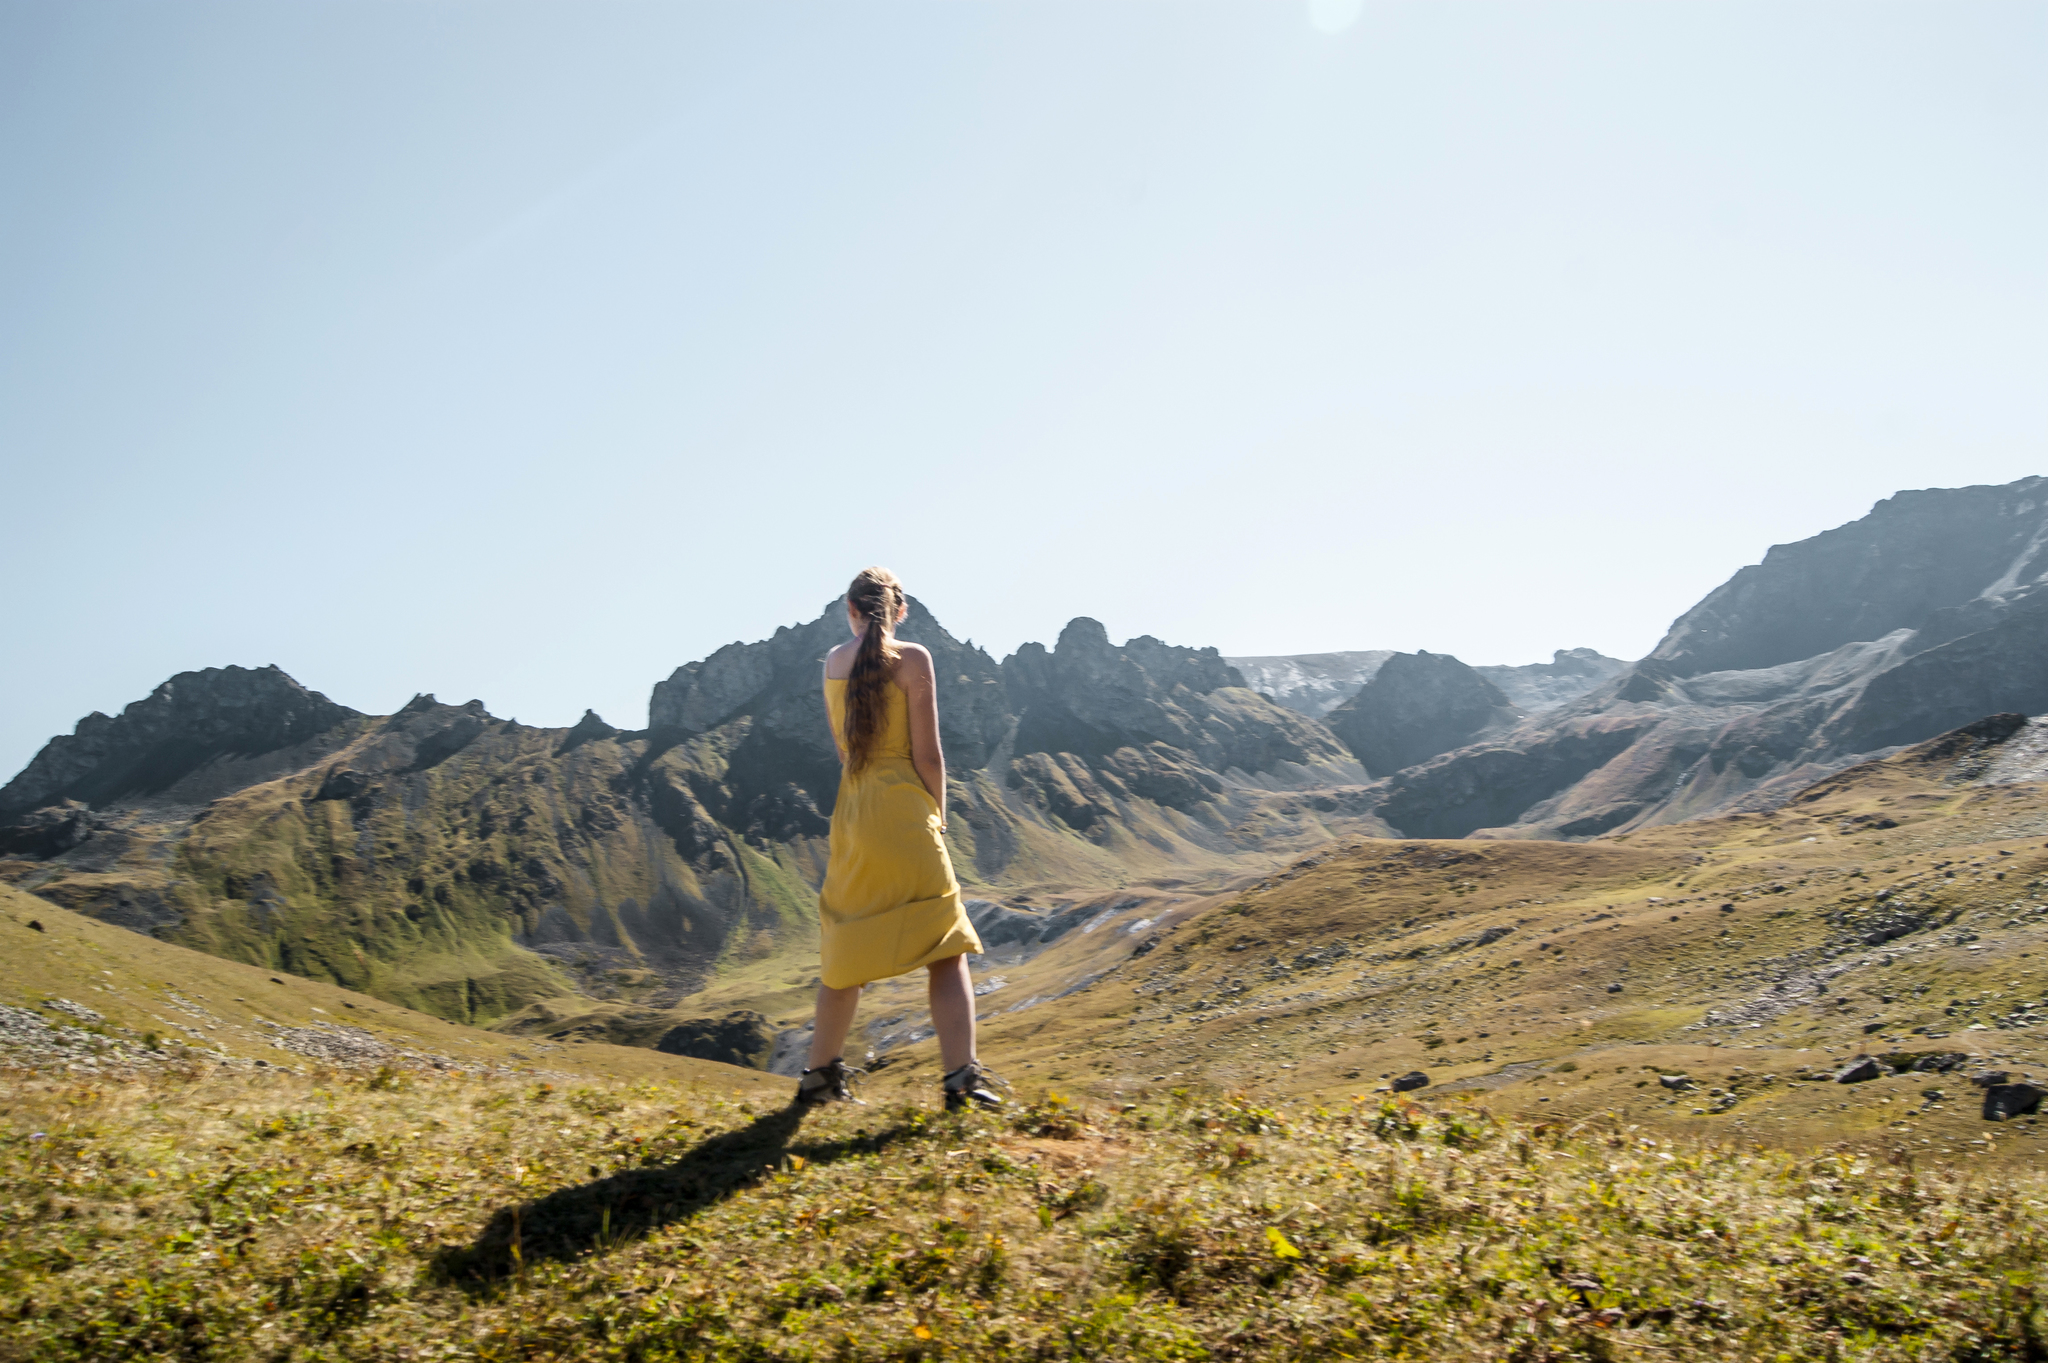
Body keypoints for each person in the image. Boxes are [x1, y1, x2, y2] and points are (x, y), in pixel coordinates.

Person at [795, 567, 1004, 1112]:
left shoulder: (833, 664)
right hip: (907, 811)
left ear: (851, 609)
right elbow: (928, 754)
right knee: (946, 945)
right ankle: (961, 1079)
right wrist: (937, 811)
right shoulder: (914, 660)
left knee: (845, 949)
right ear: (900, 610)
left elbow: (846, 754)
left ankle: (819, 1077)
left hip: (855, 813)